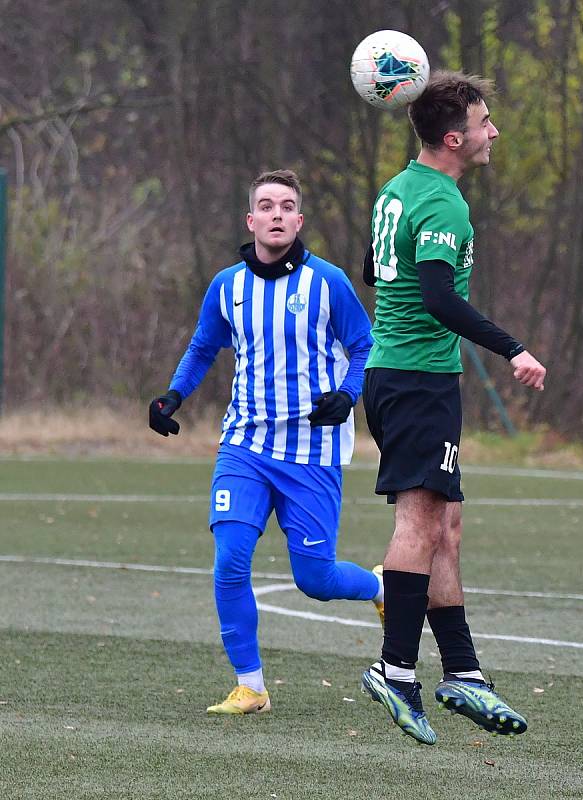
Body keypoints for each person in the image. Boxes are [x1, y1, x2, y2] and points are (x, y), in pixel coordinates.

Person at [149, 169, 383, 715]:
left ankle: (378, 586)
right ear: (250, 220)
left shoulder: (328, 282)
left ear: (299, 221)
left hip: (311, 451)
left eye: (286, 206)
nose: (276, 214)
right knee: (230, 560)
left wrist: (349, 397)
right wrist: (173, 395)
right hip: (245, 445)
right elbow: (204, 346)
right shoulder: (227, 285)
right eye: (265, 206)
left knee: (316, 580)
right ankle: (250, 686)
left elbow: (364, 344)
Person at [359, 72, 546, 745]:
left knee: (447, 525)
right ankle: (397, 670)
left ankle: (462, 668)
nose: (493, 132)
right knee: (419, 524)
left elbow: (374, 270)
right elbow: (437, 297)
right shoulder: (443, 204)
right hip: (416, 381)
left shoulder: (397, 191)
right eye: (485, 121)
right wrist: (512, 347)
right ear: (453, 137)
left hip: (401, 374)